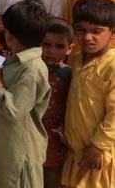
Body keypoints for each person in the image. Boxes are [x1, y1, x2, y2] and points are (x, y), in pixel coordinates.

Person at [0, 0, 51, 188]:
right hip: (6, 143)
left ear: (10, 36)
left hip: (20, 149)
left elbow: (13, 110)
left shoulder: (32, 69)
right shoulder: (17, 59)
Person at [62, 0, 115, 188]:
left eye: (96, 31)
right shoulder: (76, 59)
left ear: (112, 32)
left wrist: (98, 145)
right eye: (81, 31)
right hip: (76, 154)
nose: (87, 37)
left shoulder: (111, 65)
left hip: (100, 156)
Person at [41, 17, 74, 188]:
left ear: (70, 49)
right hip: (30, 138)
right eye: (46, 44)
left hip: (55, 143)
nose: (51, 51)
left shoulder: (69, 74)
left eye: (59, 46)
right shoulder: (32, 69)